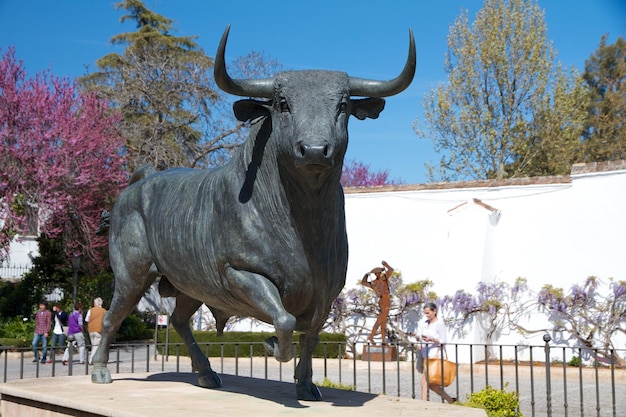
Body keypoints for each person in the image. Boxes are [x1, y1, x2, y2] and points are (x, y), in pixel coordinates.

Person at [415, 302, 456, 404]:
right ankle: (450, 400)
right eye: (425, 313)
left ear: (434, 311)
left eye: (428, 313)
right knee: (432, 384)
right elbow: (420, 338)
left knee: (424, 381)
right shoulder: (424, 323)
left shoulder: (439, 324)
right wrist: (418, 336)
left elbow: (444, 340)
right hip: (425, 354)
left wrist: (432, 339)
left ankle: (423, 404)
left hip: (434, 355)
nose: (427, 315)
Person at [360, 260, 394, 344]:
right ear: (375, 274)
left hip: (387, 300)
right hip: (383, 301)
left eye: (379, 273)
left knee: (383, 321)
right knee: (381, 320)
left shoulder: (384, 279)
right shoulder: (374, 283)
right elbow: (363, 282)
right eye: (377, 273)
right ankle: (372, 337)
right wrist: (366, 275)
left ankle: (381, 340)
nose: (378, 274)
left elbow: (391, 270)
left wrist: (386, 265)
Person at [85, 297, 106, 364]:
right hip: (99, 330)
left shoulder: (90, 310)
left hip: (91, 330)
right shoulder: (104, 311)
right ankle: (91, 359)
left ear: (95, 303)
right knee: (96, 346)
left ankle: (96, 359)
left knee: (93, 345)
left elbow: (86, 320)